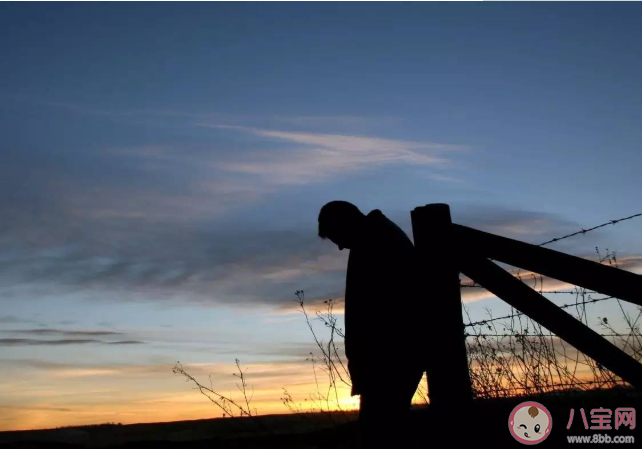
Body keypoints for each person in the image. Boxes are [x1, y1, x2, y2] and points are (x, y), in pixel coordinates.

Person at [317, 200, 425, 448]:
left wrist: (369, 363)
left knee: (379, 434)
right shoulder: (373, 238)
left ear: (346, 223)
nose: (340, 246)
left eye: (337, 237)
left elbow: (381, 311)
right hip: (387, 360)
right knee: (384, 431)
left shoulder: (376, 243)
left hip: (390, 360)